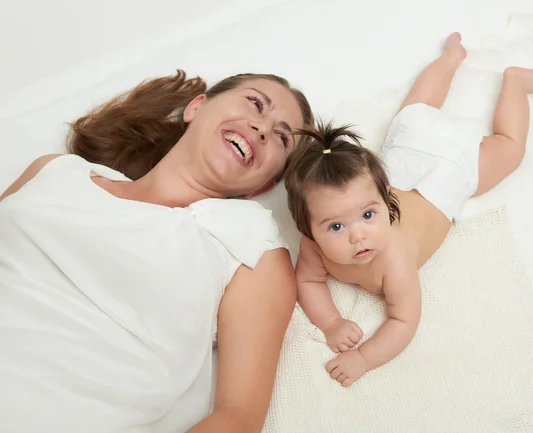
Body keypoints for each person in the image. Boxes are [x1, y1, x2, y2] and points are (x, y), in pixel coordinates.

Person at [0, 70, 313, 433]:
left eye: (281, 137)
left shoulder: (251, 246)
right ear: (196, 107)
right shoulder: (55, 171)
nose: (262, 129)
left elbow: (239, 416)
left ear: (266, 183)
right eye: (255, 104)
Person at [284, 33, 533, 387]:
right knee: (415, 111)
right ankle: (452, 61)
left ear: (383, 201)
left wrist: (363, 357)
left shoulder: (394, 261)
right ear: (308, 229)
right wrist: (331, 322)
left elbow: (403, 322)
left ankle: (507, 79)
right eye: (335, 227)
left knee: (509, 148)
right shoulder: (314, 247)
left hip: (444, 177)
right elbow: (307, 279)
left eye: (368, 215)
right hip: (407, 159)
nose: (358, 234)